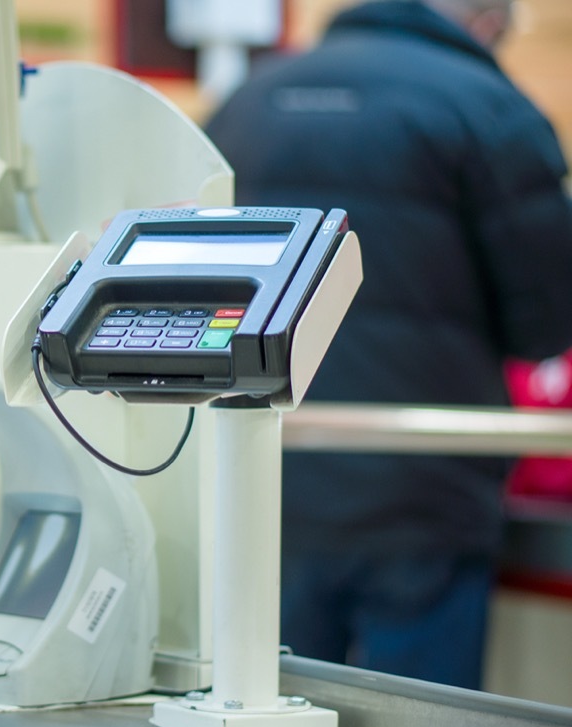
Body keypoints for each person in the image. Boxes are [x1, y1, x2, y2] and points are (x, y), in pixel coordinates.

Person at [204, 0, 572, 689]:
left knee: (263, 713)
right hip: (424, 484)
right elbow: (547, 323)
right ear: (488, 19)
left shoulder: (244, 102)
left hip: (266, 471)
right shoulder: (492, 109)